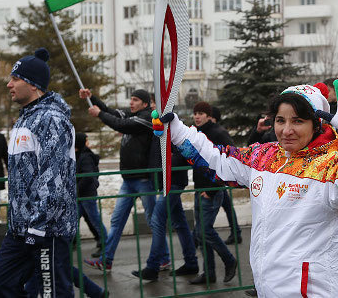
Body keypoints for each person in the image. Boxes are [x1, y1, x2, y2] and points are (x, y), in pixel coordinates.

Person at [154, 78, 338, 297]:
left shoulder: (333, 164)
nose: (286, 130)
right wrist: (176, 131)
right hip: (267, 287)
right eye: (281, 120)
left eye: (298, 121)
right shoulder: (265, 156)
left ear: (317, 124)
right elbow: (217, 159)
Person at [0, 48, 77, 297]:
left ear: (33, 84)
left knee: (52, 294)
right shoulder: (24, 120)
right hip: (20, 229)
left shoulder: (51, 120)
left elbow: (54, 179)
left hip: (47, 230)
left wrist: (38, 227)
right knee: (2, 284)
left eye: (15, 79)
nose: (9, 84)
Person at [80, 88, 156, 271]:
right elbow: (111, 112)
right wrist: (92, 98)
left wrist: (99, 115)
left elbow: (119, 125)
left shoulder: (147, 119)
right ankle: (106, 260)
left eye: (136, 100)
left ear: (145, 104)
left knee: (154, 222)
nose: (131, 102)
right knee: (117, 220)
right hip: (128, 180)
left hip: (144, 179)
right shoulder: (131, 114)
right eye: (131, 99)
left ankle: (162, 258)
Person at [186, 101, 237, 284]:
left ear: (208, 115)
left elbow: (229, 159)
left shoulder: (218, 133)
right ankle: (209, 273)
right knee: (200, 233)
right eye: (195, 113)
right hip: (200, 189)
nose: (197, 116)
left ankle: (229, 260)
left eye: (201, 113)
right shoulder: (198, 133)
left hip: (212, 190)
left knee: (205, 231)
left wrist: (212, 189)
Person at [131, 144, 199, 281]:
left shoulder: (174, 128)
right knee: (179, 223)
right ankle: (191, 262)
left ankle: (152, 266)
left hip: (173, 182)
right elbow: (155, 157)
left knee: (157, 220)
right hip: (165, 183)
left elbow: (181, 156)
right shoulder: (157, 129)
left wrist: (163, 162)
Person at [210, 106, 242, 245]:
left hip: (220, 176)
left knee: (223, 207)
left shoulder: (219, 132)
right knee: (227, 206)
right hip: (218, 176)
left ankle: (198, 236)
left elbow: (231, 149)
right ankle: (236, 232)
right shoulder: (212, 130)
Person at [75, 133, 107, 255]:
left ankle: (105, 244)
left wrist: (76, 190)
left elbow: (88, 175)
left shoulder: (85, 157)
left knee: (94, 219)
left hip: (86, 194)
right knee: (73, 220)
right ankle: (68, 243)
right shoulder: (78, 155)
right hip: (81, 195)